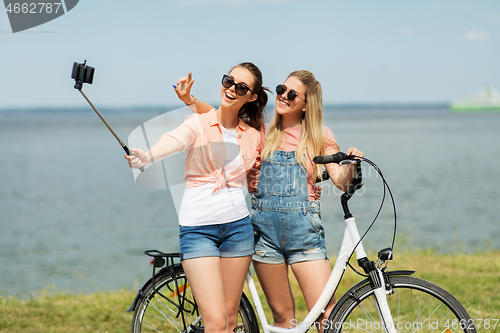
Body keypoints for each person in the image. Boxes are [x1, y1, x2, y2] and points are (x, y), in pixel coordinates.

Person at [175, 70, 363, 332]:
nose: (283, 96)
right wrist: (190, 100)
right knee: (282, 315)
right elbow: (218, 115)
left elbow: (341, 181)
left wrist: (352, 164)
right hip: (265, 240)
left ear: (306, 104)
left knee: (326, 314)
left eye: (292, 94)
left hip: (304, 238)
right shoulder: (262, 132)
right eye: (281, 89)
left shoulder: (320, 135)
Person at [125, 62, 269, 333]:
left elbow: (258, 180)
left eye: (241, 87)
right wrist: (147, 156)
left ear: (250, 96)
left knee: (229, 319)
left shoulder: (253, 136)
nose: (231, 89)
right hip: (198, 230)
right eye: (229, 81)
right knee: (214, 322)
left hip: (238, 229)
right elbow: (176, 138)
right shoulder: (199, 122)